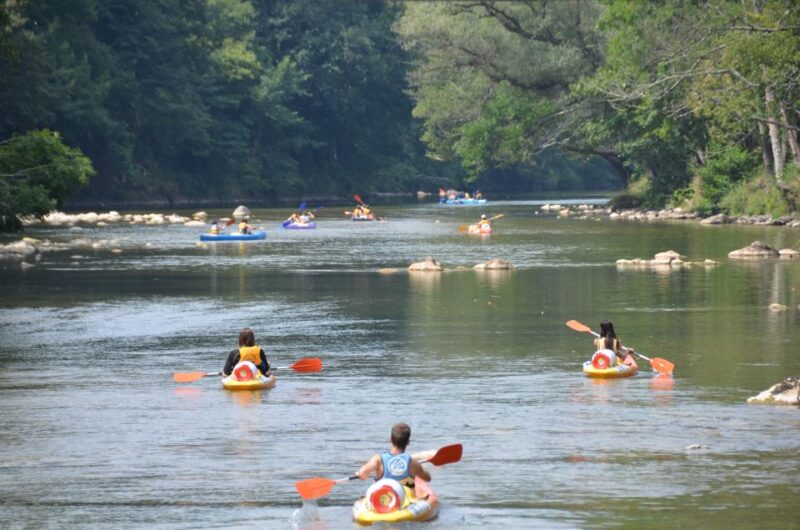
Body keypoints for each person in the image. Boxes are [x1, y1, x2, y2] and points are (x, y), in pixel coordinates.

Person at [356, 423, 431, 487]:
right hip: (403, 500)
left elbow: (363, 474)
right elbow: (428, 478)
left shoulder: (378, 459)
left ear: (390, 440)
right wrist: (422, 470)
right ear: (408, 442)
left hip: (383, 498)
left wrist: (359, 474)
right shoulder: (413, 463)